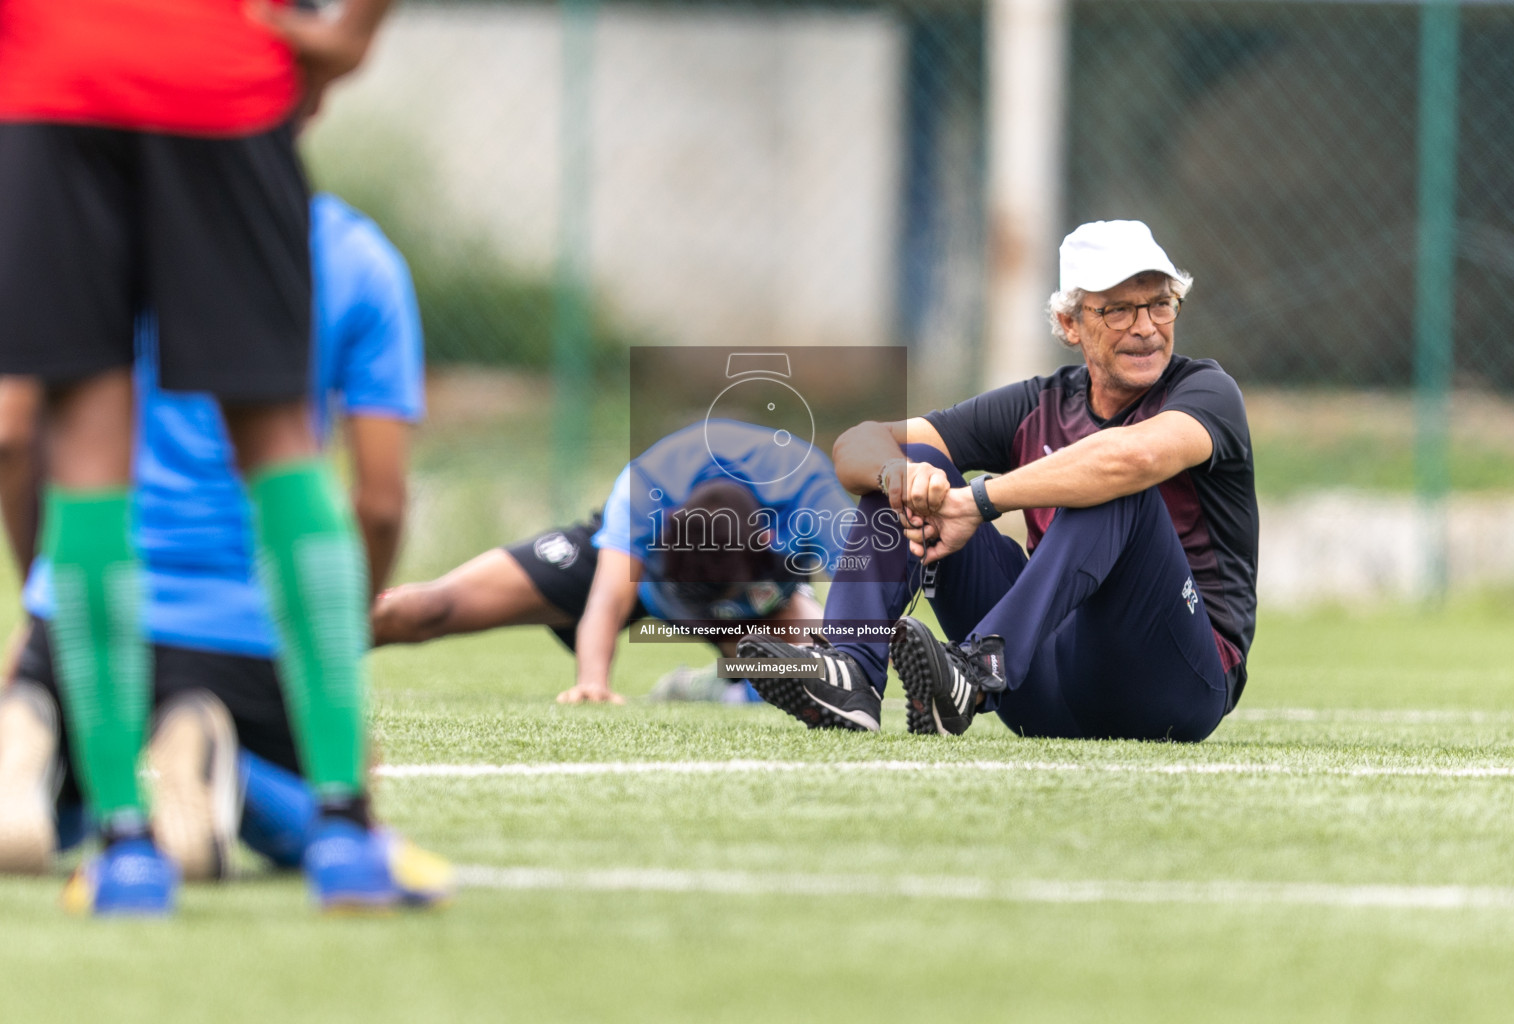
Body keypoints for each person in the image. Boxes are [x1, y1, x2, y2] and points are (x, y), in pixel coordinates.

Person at [0, 1, 395, 913]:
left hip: (57, 69)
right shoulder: (365, 259)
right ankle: (343, 827)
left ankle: (123, 845)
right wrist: (359, 26)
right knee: (280, 442)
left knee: (89, 452)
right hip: (217, 70)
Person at [740, 220, 1258, 741]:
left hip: (1176, 687)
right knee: (912, 463)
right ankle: (851, 669)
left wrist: (979, 500)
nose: (1146, 326)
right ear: (1069, 323)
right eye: (1119, 309)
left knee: (1112, 481)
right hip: (1042, 690)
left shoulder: (1207, 392)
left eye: (1160, 304)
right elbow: (857, 444)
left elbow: (1132, 458)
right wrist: (902, 476)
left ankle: (979, 668)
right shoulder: (1039, 403)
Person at [372, 419, 873, 726]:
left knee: (818, 670)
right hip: (633, 572)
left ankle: (723, 684)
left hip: (762, 598)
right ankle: (299, 630)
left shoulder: (811, 496)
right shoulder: (650, 489)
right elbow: (607, 600)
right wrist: (592, 682)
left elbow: (866, 591)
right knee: (428, 609)